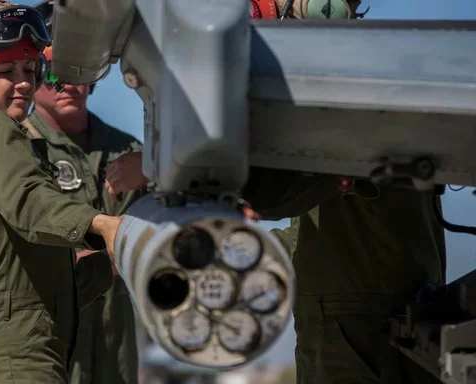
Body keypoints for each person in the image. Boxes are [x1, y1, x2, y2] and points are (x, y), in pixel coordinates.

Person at [105, 2, 446, 383]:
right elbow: (319, 226)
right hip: (356, 322)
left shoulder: (363, 84)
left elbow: (281, 188)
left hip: (367, 332)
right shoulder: (363, 80)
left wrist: (159, 166)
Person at [0, 2, 122, 383]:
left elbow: (33, 291)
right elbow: (28, 201)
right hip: (14, 359)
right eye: (5, 71)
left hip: (12, 350)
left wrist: (110, 264)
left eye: (31, 71)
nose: (23, 82)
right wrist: (101, 223)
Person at [22, 3, 144, 382]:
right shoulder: (18, 149)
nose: (67, 84)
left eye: (77, 71)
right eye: (53, 74)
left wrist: (158, 170)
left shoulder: (130, 152)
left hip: (115, 339)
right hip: (51, 338)